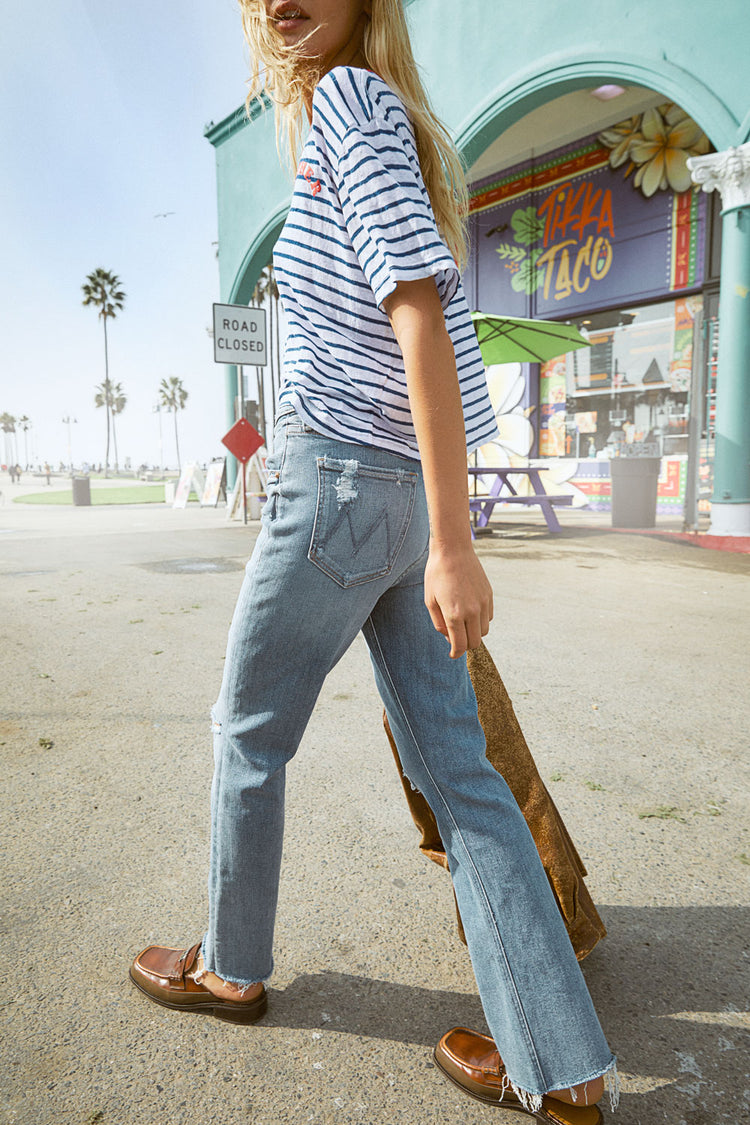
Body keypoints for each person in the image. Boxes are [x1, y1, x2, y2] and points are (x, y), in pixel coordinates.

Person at [130, 3, 618, 1121]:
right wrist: (432, 533)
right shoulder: (369, 112)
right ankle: (564, 1067)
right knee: (462, 777)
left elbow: (420, 316)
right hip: (389, 496)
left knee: (248, 731)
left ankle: (232, 968)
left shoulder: (351, 101)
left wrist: (456, 543)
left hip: (345, 487)